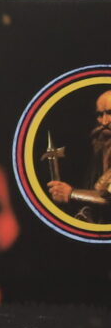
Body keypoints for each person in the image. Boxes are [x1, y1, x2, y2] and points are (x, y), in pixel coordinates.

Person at [43, 87, 111, 225]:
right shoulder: (98, 150)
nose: (104, 122)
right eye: (100, 115)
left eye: (110, 113)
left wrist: (71, 193)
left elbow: (107, 197)